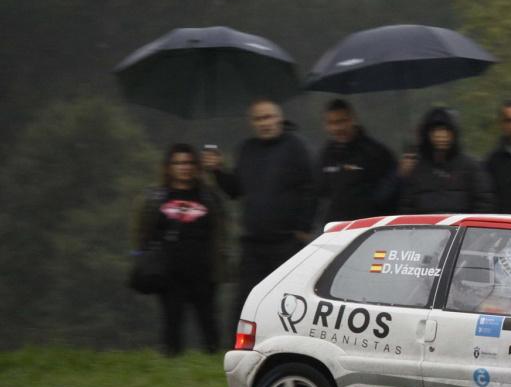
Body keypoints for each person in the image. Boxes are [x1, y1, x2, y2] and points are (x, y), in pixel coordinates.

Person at [202, 98, 316, 342]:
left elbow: (311, 187)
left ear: (279, 118)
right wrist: (218, 171)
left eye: (269, 117)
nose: (264, 123)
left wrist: (304, 227)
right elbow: (235, 190)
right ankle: (236, 348)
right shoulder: (246, 149)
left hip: (286, 241)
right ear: (251, 123)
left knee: (288, 302)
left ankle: (289, 346)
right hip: (253, 242)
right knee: (245, 298)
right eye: (258, 119)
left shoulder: (295, 146)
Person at [133, 144, 226, 356]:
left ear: (196, 166)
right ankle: (171, 363)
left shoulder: (209, 198)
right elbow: (142, 232)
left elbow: (220, 233)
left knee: (208, 323)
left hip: (203, 272)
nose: (184, 167)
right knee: (171, 324)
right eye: (178, 163)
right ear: (168, 167)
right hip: (169, 274)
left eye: (189, 162)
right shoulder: (156, 198)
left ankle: (213, 364)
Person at [316, 98, 397, 223]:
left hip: (369, 229)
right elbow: (320, 193)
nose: (338, 128)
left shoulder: (375, 152)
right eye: (332, 123)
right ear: (326, 126)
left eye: (342, 121)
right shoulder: (325, 154)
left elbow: (391, 193)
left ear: (354, 120)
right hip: (337, 230)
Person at [400, 106, 493, 214]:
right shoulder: (416, 171)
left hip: (464, 229)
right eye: (436, 130)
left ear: (453, 134)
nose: (441, 135)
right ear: (428, 134)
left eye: (446, 130)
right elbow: (406, 208)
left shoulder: (471, 167)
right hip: (426, 230)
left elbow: (484, 203)